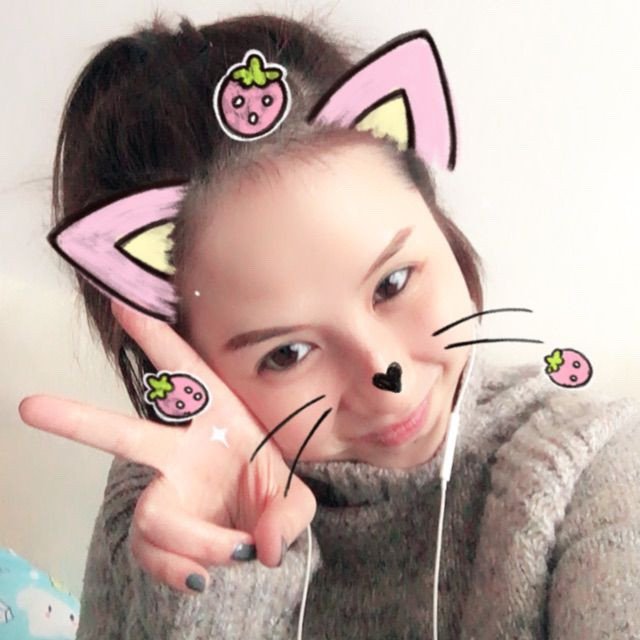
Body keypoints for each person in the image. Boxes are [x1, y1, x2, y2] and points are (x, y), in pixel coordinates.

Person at [18, 11, 640, 640]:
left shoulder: (585, 468)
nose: (385, 375)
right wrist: (229, 569)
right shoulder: (168, 507)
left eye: (393, 282)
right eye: (287, 353)